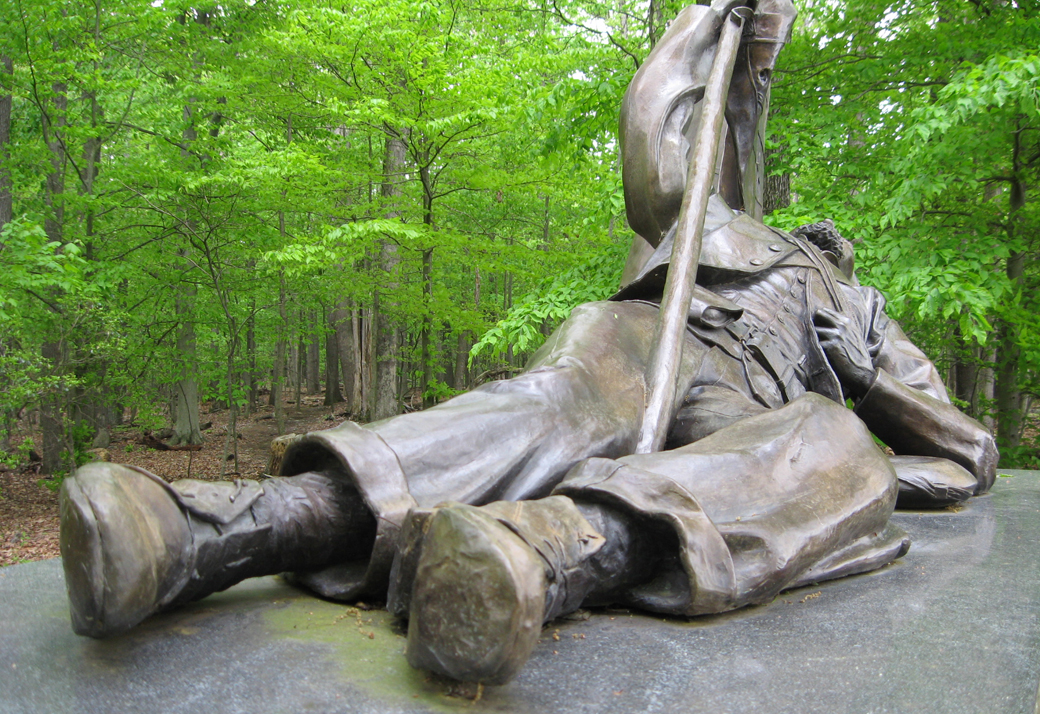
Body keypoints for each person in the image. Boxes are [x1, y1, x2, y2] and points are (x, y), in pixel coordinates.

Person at [58, 0, 997, 687]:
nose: (823, 242)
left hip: (751, 418)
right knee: (543, 407)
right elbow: (669, 152)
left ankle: (534, 555)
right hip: (647, 343)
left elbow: (967, 453)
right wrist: (721, 25)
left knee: (838, 452)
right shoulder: (725, 227)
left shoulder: (866, 311)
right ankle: (211, 533)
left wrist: (870, 383)